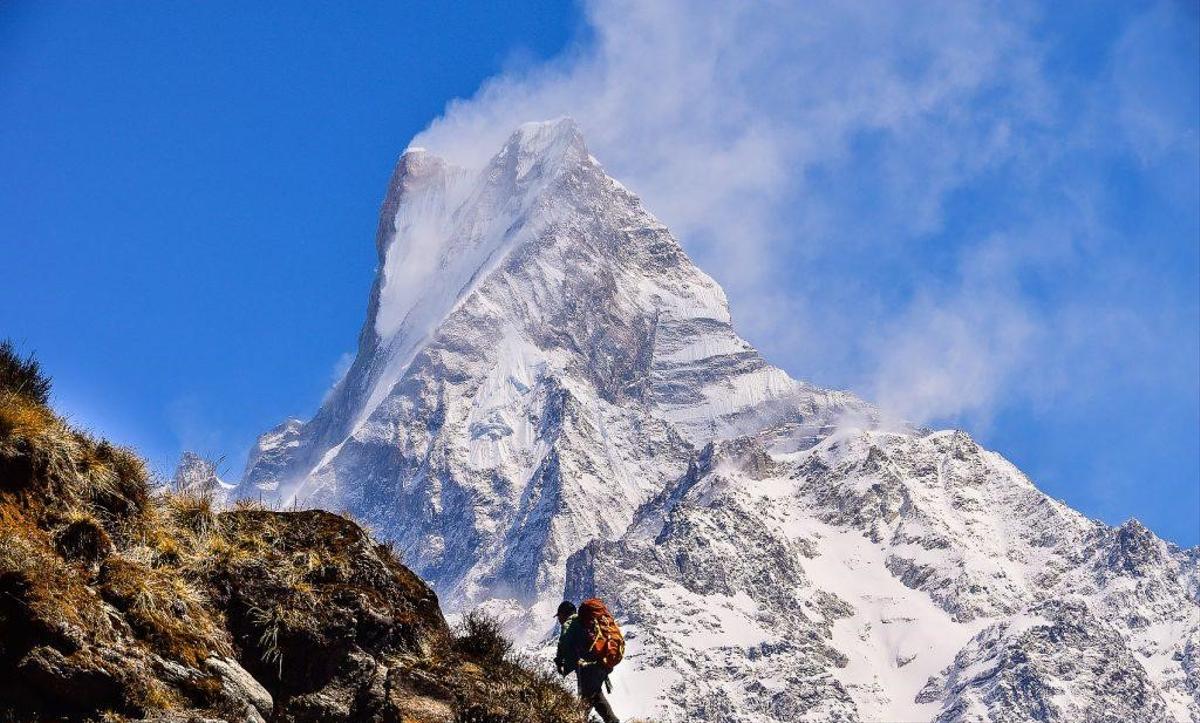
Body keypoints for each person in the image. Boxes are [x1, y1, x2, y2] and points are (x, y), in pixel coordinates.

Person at [555, 600, 620, 723]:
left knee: (586, 699)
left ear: (563, 614)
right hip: (601, 664)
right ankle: (612, 721)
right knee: (595, 695)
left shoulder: (570, 622)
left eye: (559, 616)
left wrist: (559, 660)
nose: (559, 620)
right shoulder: (585, 622)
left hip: (588, 668)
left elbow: (563, 642)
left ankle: (578, 720)